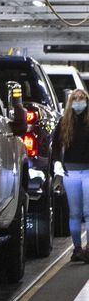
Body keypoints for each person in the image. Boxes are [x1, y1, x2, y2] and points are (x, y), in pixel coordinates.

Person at [52, 88, 89, 261]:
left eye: (82, 98)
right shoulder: (63, 123)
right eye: (76, 98)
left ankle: (83, 249)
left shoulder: (65, 123)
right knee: (76, 213)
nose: (79, 101)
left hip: (84, 171)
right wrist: (58, 163)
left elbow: (56, 147)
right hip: (71, 172)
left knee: (85, 213)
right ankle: (78, 248)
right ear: (71, 102)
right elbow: (56, 147)